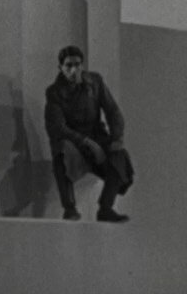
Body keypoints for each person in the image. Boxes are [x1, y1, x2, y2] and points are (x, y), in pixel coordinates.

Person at [44, 45, 133, 223]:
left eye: (77, 64)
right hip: (74, 144)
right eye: (68, 65)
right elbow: (58, 128)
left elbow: (113, 111)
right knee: (60, 152)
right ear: (60, 68)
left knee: (120, 156)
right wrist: (86, 142)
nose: (73, 70)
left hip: (97, 138)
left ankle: (106, 209)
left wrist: (117, 137)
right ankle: (70, 209)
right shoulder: (54, 92)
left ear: (82, 65)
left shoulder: (95, 82)